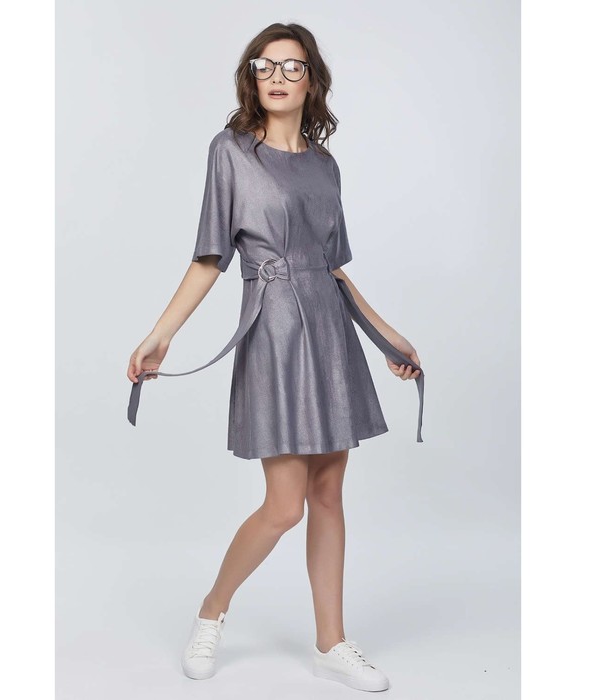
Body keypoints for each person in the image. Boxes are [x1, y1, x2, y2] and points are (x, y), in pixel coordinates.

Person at [126, 22, 424, 692]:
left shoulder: (324, 165)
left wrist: (388, 338)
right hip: (274, 331)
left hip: (330, 330)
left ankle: (331, 643)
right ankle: (212, 610)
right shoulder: (231, 151)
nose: (278, 76)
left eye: (292, 66)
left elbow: (334, 266)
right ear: (251, 78)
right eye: (265, 65)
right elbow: (209, 258)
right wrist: (160, 334)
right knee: (285, 505)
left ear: (311, 79)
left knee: (328, 494)